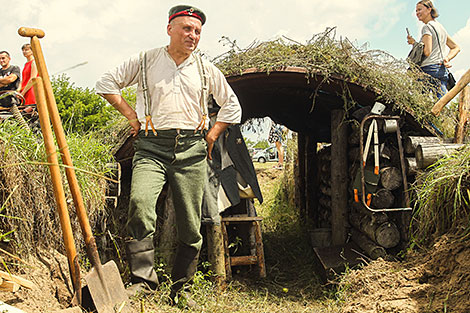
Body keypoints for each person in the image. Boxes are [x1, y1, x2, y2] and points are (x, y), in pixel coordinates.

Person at [95, 4, 241, 305]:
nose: (193, 35)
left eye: (198, 31)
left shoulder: (205, 68)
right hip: (151, 147)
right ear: (170, 29)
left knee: (191, 221)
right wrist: (132, 117)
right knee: (139, 203)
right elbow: (105, 84)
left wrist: (213, 135)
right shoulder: (146, 60)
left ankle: (182, 288)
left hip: (191, 149)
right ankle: (144, 281)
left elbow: (232, 106)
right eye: (187, 29)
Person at [407, 0, 460, 98]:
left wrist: (414, 43)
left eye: (420, 9)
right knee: (441, 103)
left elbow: (427, 51)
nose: (417, 13)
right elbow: (455, 47)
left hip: (427, 69)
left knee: (419, 104)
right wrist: (447, 58)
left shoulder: (426, 28)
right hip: (441, 70)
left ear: (429, 9)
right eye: (416, 11)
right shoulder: (441, 27)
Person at [19, 44, 38, 112]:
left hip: (31, 91)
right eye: (23, 50)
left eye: (26, 50)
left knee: (31, 111)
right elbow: (23, 79)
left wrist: (23, 93)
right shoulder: (26, 64)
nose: (24, 51)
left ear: (32, 51)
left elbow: (32, 79)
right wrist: (19, 90)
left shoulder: (34, 62)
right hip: (24, 91)